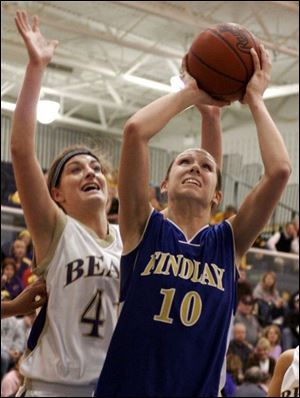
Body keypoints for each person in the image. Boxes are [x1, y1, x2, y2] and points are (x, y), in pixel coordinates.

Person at [95, 40, 291, 396]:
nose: (195, 169)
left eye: (205, 167)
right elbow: (135, 132)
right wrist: (191, 92)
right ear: (165, 184)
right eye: (184, 162)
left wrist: (256, 101)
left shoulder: (227, 241)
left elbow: (279, 170)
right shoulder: (144, 227)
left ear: (217, 195)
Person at [11, 11, 123, 397]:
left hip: (107, 388)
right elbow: (22, 152)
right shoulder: (57, 230)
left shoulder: (133, 240)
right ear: (56, 194)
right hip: (51, 389)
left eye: (95, 168)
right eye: (75, 170)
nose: (90, 173)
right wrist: (36, 67)